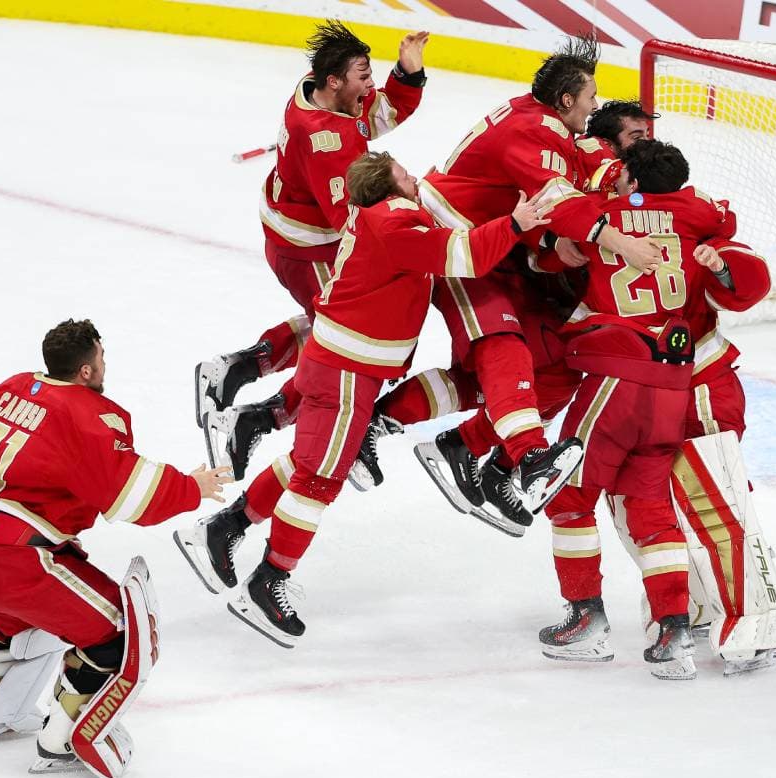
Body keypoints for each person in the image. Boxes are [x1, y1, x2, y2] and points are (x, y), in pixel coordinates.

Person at [173, 152, 577, 647]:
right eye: (406, 176)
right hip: (345, 373)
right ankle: (268, 580)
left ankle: (226, 527)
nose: (416, 178)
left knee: (309, 463)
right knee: (318, 480)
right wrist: (515, 222)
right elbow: (462, 255)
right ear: (389, 191)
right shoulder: (395, 223)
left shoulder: (381, 218)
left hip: (340, 365)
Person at [355, 36, 664, 524]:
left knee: (499, 378)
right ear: (567, 101)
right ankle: (527, 459)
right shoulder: (536, 130)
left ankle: (390, 424)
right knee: (503, 349)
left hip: (486, 245)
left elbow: (557, 198)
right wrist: (622, 243)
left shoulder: (544, 123)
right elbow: (560, 199)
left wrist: (557, 244)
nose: (593, 106)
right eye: (589, 98)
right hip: (453, 241)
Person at [0, 319, 231, 778]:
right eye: (100, 356)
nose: (103, 364)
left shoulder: (12, 388)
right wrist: (191, 488)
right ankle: (63, 741)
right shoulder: (88, 413)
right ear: (85, 370)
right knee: (121, 631)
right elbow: (128, 494)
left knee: (16, 624)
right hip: (22, 560)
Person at [529, 139, 744, 679]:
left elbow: (557, 211)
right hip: (674, 383)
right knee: (648, 503)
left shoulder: (607, 215)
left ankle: (586, 621)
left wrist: (604, 221)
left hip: (617, 376)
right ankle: (673, 633)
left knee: (569, 496)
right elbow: (725, 217)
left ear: (630, 177)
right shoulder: (699, 215)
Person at [193, 20, 430, 478]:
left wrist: (408, 72)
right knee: (347, 342)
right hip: (309, 249)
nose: (371, 86)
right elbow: (354, 219)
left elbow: (380, 112)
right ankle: (255, 412)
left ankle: (238, 376)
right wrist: (414, 213)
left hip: (302, 238)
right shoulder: (329, 142)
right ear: (335, 81)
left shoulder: (318, 93)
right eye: (364, 77)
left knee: (342, 330)